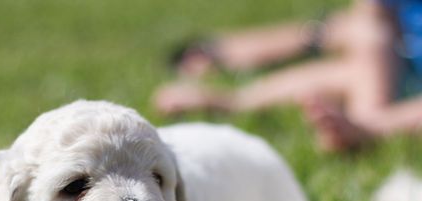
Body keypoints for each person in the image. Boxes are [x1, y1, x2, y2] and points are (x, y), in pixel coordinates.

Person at [153, 1, 422, 151]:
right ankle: (239, 101)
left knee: (359, 54)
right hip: (404, 65)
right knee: (367, 37)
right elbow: (369, 20)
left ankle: (369, 127)